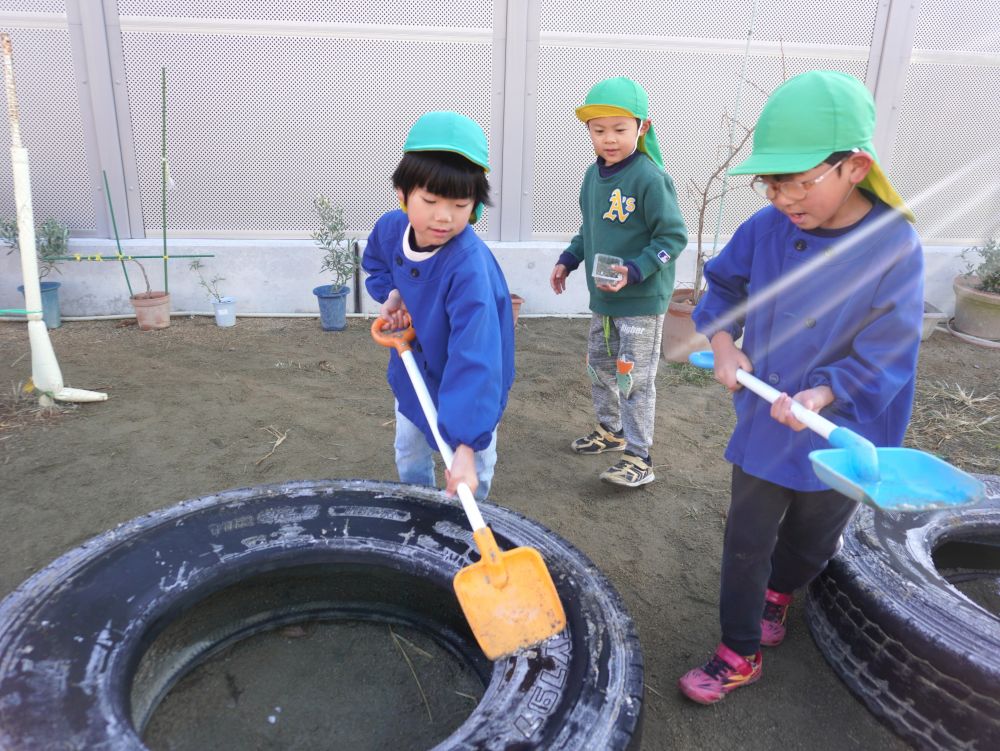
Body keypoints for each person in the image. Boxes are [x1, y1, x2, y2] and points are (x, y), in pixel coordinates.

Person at [678, 70, 923, 704]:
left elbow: (890, 343)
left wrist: (826, 394)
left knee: (814, 533)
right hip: (768, 414)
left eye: (800, 181)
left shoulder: (893, 244)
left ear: (855, 166)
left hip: (844, 424)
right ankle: (738, 650)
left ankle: (781, 593)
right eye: (773, 182)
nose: (784, 196)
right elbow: (724, 287)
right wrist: (726, 343)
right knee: (747, 536)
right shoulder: (765, 229)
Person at [362, 111, 515, 501]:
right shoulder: (392, 228)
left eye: (460, 205)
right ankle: (420, 510)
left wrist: (465, 446)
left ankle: (467, 524)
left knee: (471, 470)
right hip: (415, 365)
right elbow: (378, 260)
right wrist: (392, 295)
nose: (443, 217)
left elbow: (477, 359)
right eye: (429, 201)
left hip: (467, 380)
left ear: (476, 208)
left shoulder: (469, 270)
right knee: (410, 450)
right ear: (402, 194)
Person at [550, 76, 688, 488]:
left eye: (619, 129)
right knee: (600, 367)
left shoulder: (650, 178)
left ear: (642, 127)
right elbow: (589, 227)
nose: (609, 139)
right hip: (604, 298)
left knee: (635, 377)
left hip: (641, 299)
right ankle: (611, 431)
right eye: (599, 130)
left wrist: (636, 269)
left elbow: (673, 237)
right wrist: (569, 258)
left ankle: (639, 456)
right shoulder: (594, 177)